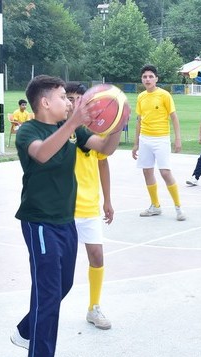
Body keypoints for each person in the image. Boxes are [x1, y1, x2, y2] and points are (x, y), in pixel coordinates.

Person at [10, 75, 121, 357]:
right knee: (48, 297)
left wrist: (116, 124)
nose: (69, 103)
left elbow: (104, 148)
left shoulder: (73, 130)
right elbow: (42, 154)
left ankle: (26, 331)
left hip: (65, 220)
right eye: (62, 97)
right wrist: (73, 123)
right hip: (39, 222)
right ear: (45, 102)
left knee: (63, 285)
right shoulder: (30, 130)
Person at [66, 82, 112, 330]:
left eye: (79, 99)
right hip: (64, 208)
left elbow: (103, 163)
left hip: (89, 205)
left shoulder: (95, 132)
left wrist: (108, 200)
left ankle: (94, 307)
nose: (74, 103)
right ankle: (48, 308)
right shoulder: (59, 129)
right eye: (69, 98)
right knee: (60, 265)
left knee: (96, 256)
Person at [132, 64, 186, 221]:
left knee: (165, 172)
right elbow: (139, 120)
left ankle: (178, 207)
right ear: (141, 79)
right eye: (144, 77)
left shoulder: (164, 95)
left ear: (156, 79)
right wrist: (136, 143)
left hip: (161, 139)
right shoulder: (141, 97)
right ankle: (155, 205)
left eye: (150, 76)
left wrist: (177, 138)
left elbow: (174, 117)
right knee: (147, 171)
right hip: (145, 139)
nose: (147, 79)